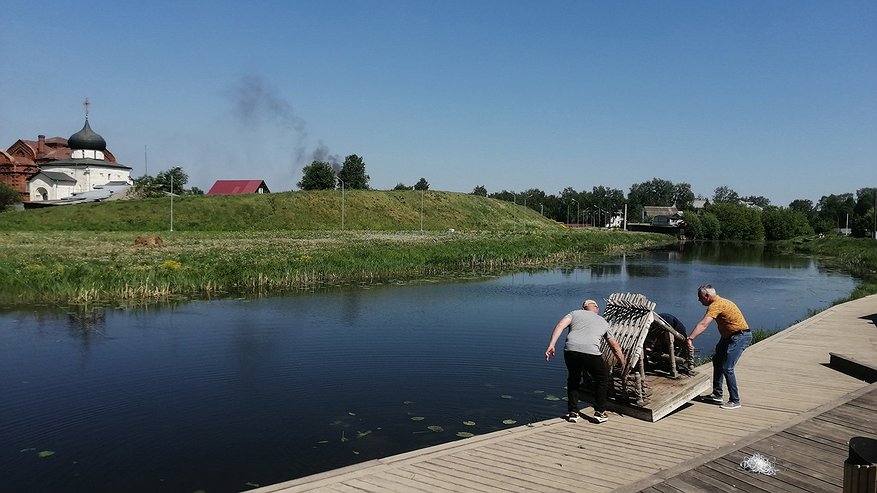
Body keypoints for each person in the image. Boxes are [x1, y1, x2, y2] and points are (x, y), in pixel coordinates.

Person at [545, 299, 626, 423]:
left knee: (573, 379)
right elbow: (614, 346)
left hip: (571, 350)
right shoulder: (603, 321)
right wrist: (622, 362)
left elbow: (560, 325)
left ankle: (573, 412)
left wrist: (552, 344)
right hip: (591, 352)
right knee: (602, 379)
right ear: (597, 309)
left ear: (583, 308)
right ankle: (599, 412)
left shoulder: (574, 313)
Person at [686, 284, 752, 410]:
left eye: (700, 297)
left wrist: (690, 338)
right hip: (729, 337)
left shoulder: (717, 305)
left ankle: (735, 400)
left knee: (727, 368)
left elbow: (704, 324)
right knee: (717, 360)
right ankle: (717, 394)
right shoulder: (718, 302)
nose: (699, 300)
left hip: (740, 336)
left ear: (707, 296)